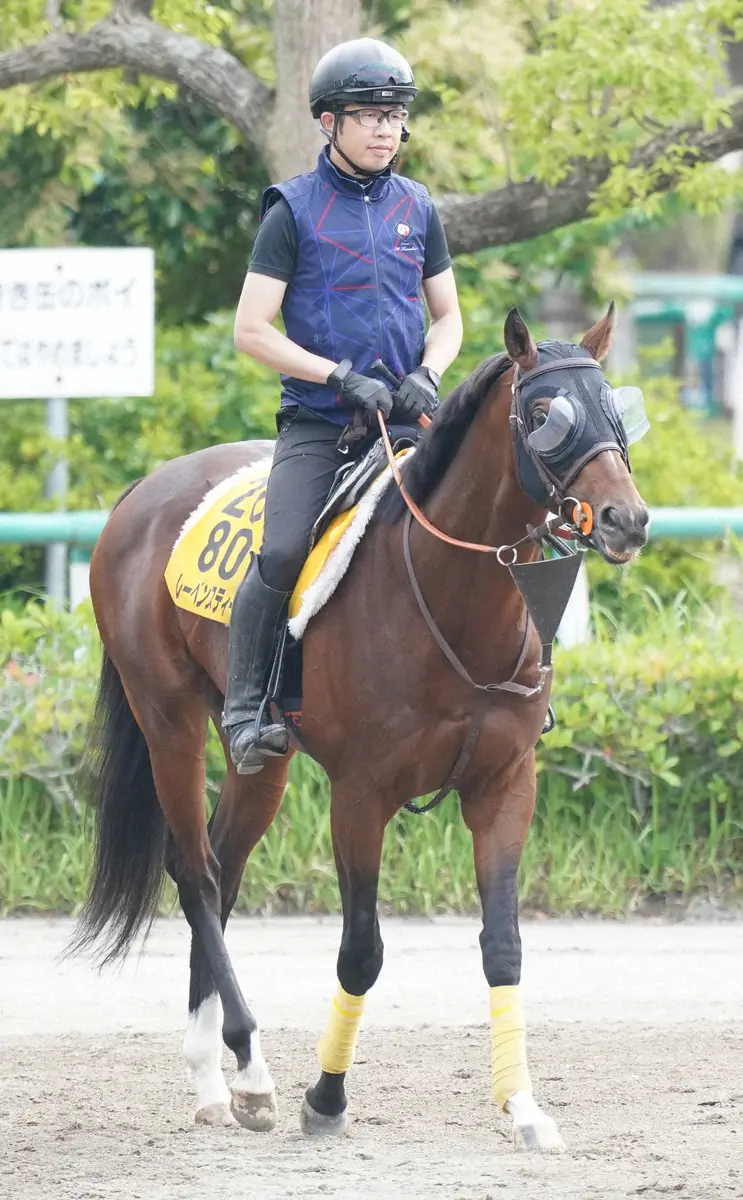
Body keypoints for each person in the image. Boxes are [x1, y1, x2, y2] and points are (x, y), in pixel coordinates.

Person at [222, 37, 464, 774]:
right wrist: (335, 376)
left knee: (497, 510)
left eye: (394, 115)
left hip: (406, 420)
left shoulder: (416, 206)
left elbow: (448, 317)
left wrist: (429, 369)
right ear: (328, 122)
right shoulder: (291, 211)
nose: (385, 128)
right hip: (321, 425)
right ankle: (242, 711)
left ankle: (515, 690)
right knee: (284, 549)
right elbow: (250, 330)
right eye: (367, 115)